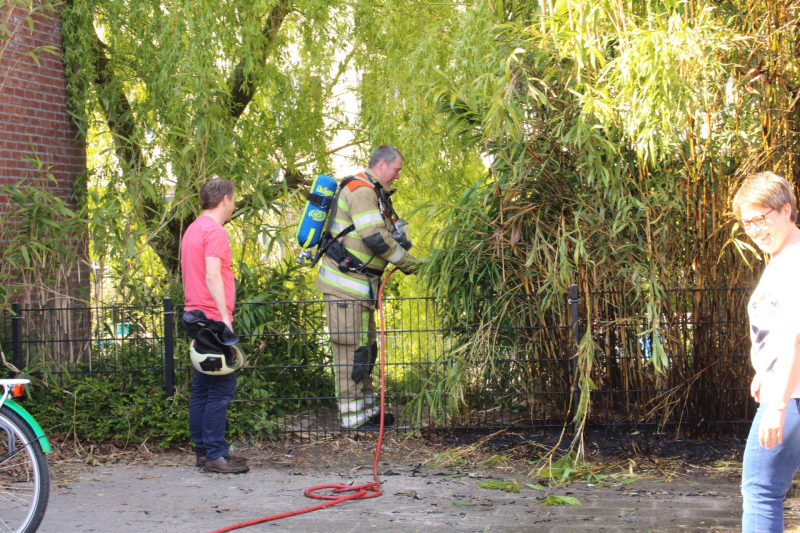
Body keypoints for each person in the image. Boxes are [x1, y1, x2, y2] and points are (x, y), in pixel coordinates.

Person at [315, 145, 418, 430]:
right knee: (352, 353)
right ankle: (352, 418)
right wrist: (410, 264)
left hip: (359, 288)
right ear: (382, 165)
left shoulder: (372, 191)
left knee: (365, 350)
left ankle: (368, 410)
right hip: (346, 289)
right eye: (396, 169)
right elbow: (375, 238)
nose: (397, 176)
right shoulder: (362, 192)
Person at [732, 171, 800, 532]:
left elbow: (795, 338)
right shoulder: (784, 258)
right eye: (747, 222)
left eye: (762, 218)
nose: (755, 230)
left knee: (761, 490)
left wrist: (778, 404)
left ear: (786, 210)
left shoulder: (792, 265)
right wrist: (765, 369)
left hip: (791, 398)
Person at [181, 178, 248, 474]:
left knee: (202, 389)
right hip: (211, 319)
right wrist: (225, 319)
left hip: (193, 315)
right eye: (233, 200)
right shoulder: (215, 231)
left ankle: (203, 451)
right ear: (224, 199)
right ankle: (215, 455)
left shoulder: (193, 229)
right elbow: (212, 276)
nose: (234, 205)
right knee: (221, 389)